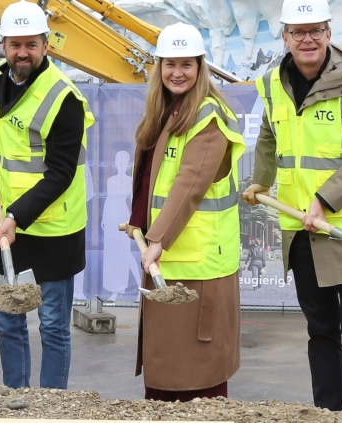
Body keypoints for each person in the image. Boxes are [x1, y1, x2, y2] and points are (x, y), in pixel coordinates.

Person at [240, 0, 342, 413]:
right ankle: (327, 414)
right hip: (299, 227)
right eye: (298, 32)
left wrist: (324, 201)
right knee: (320, 330)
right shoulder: (272, 83)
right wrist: (261, 180)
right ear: (285, 37)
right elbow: (269, 136)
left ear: (328, 32)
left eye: (316, 30)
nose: (308, 39)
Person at [0, 0, 92, 390]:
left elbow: (60, 173)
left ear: (46, 45)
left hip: (55, 230)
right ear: (3, 45)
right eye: (14, 45)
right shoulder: (1, 76)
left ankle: (52, 407)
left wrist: (15, 218)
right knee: (8, 319)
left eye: (30, 44)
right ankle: (16, 399)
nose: (21, 53)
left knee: (54, 325)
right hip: (12, 226)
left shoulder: (65, 98)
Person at [126, 22, 245, 401]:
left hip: (199, 267)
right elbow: (152, 177)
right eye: (169, 64)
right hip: (167, 260)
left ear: (201, 67)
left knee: (198, 380)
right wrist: (138, 224)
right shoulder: (166, 112)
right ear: (159, 67)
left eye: (187, 64)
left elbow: (189, 185)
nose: (177, 73)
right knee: (166, 375)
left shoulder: (208, 118)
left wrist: (157, 238)